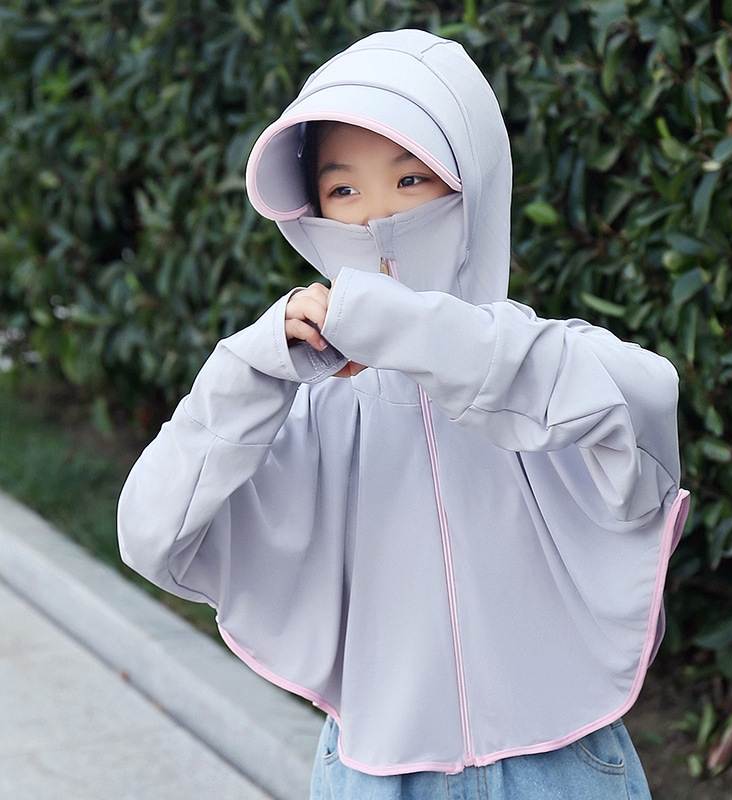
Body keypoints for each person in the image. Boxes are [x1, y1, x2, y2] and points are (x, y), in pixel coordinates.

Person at [118, 29, 690, 800]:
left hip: (562, 763)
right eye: (343, 191)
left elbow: (644, 413)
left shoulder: (545, 367)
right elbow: (150, 534)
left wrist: (414, 330)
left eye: (412, 179)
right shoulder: (297, 404)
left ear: (472, 185)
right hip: (374, 770)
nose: (376, 219)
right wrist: (247, 370)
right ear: (310, 211)